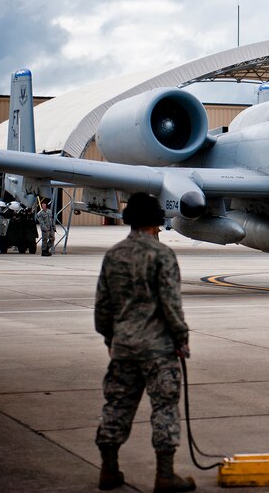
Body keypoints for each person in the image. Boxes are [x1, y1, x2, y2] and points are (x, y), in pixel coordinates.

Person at [94, 192, 195, 492]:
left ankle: (109, 470)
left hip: (124, 347)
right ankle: (165, 475)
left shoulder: (113, 255)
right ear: (155, 223)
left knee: (116, 407)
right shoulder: (162, 255)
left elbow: (103, 307)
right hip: (159, 350)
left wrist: (111, 339)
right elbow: (171, 304)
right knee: (164, 408)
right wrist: (181, 338)